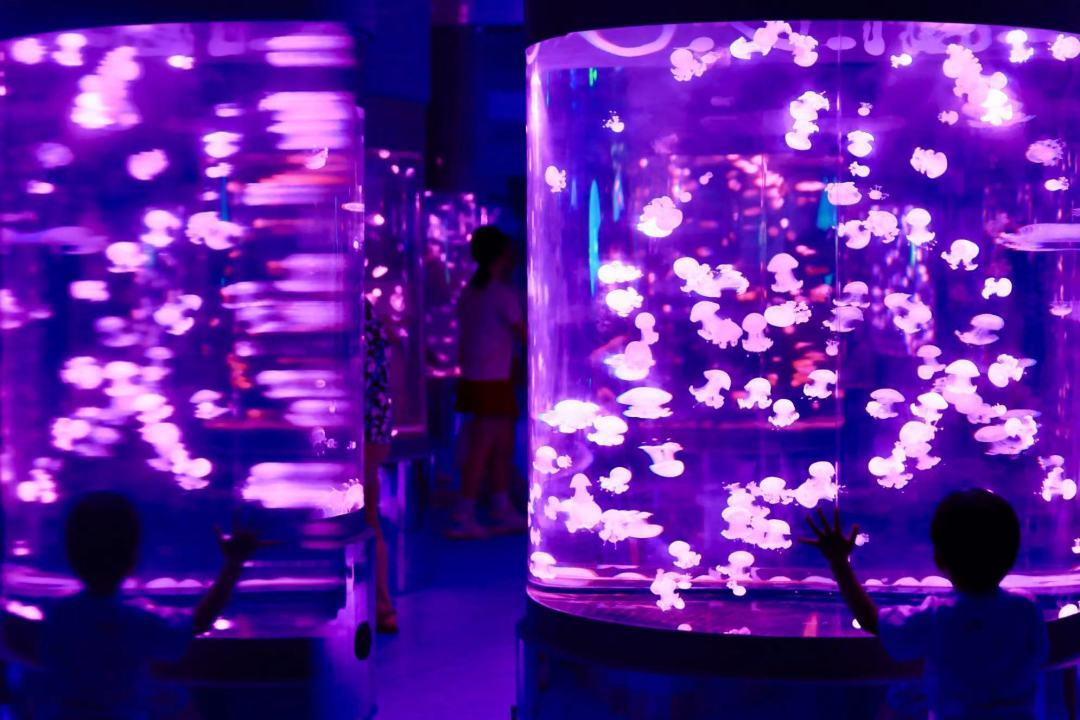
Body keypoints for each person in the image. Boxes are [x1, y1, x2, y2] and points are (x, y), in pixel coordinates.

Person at [803, 490, 1048, 720]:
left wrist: (839, 562)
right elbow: (1038, 655)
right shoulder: (1026, 609)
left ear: (939, 558)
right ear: (1012, 555)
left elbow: (871, 620)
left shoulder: (937, 616)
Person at [36, 492, 262, 720]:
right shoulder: (136, 621)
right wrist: (234, 563)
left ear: (71, 553)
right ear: (132, 557)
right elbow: (200, 622)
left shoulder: (59, 614)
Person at [450, 225, 527, 539]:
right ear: (502, 254)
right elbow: (526, 334)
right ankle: (463, 513)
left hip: (478, 377)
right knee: (483, 448)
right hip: (493, 379)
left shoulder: (471, 292)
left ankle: (500, 506)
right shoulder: (501, 294)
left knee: (500, 444)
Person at [363, 298, 398, 633]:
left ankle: (380, 602)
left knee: (366, 514)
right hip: (373, 423)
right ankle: (380, 602)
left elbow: (363, 374)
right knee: (368, 514)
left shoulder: (355, 309)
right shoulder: (366, 308)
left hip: (361, 425)